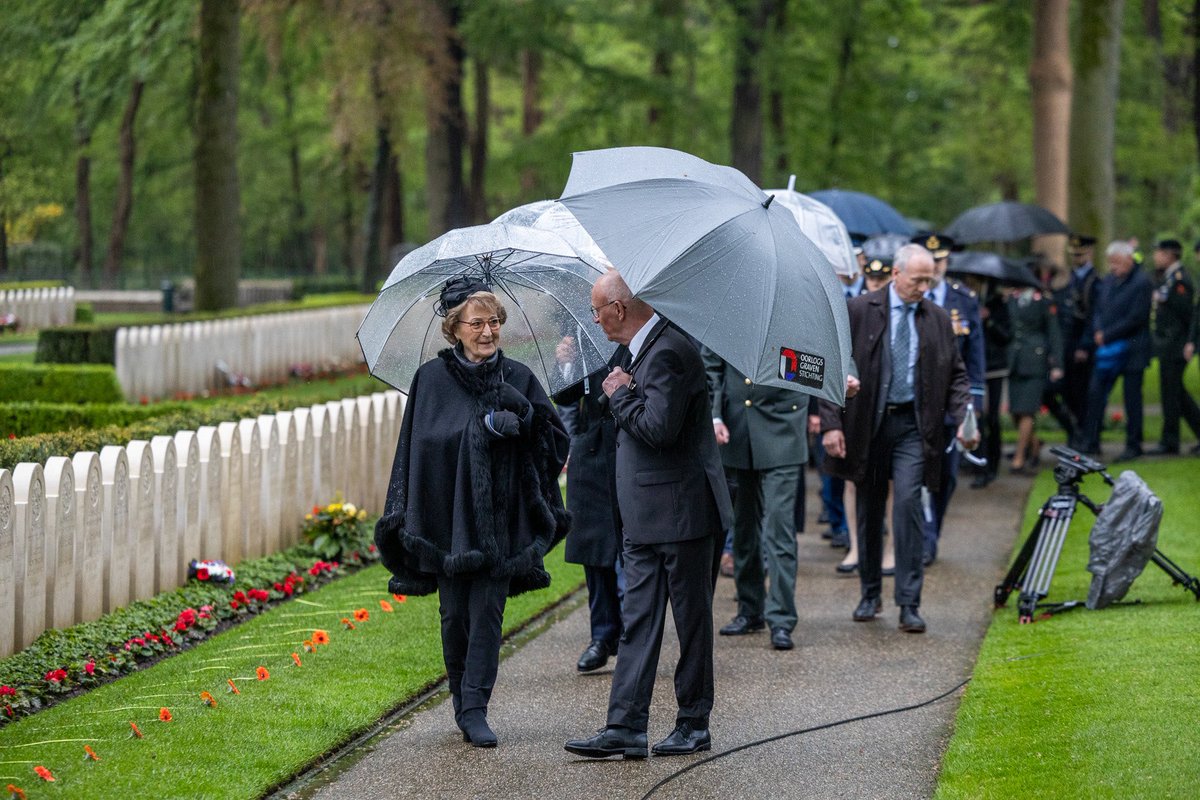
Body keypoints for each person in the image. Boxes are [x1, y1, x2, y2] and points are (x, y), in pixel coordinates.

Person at [374, 276, 570, 748]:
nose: (488, 331)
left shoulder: (519, 378)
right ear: (454, 328)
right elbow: (420, 447)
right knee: (454, 616)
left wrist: (521, 418)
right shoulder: (431, 381)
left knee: (487, 614)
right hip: (447, 521)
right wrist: (479, 428)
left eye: (494, 322)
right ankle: (462, 699)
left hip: (503, 524)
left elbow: (555, 442)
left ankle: (476, 707)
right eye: (477, 323)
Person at [565, 269, 732, 760]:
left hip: (682, 513)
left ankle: (693, 722)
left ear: (619, 308)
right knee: (637, 621)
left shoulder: (670, 350)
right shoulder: (638, 348)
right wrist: (610, 385)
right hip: (642, 514)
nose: (594, 320)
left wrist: (621, 394)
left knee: (691, 621)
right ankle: (625, 726)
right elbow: (600, 403)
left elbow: (659, 429)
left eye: (597, 310)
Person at [819, 244, 973, 634]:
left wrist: (965, 416)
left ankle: (909, 602)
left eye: (929, 280)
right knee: (869, 511)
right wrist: (831, 423)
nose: (924, 286)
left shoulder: (936, 318)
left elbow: (956, 373)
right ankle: (870, 594)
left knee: (906, 504)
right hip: (867, 425)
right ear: (896, 274)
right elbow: (830, 366)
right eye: (918, 279)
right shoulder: (859, 310)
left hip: (913, 427)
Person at [705, 348, 807, 651]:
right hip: (737, 429)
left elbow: (816, 359)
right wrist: (714, 415)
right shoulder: (729, 306)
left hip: (782, 428)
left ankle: (781, 618)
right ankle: (750, 610)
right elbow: (711, 364)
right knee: (743, 529)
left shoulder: (797, 312)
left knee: (779, 527)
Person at [553, 340, 630, 673]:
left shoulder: (643, 335)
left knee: (631, 552)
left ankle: (632, 637)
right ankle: (602, 636)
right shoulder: (580, 335)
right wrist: (567, 366)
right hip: (591, 451)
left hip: (631, 445)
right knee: (594, 551)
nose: (597, 318)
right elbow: (567, 398)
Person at [916, 233, 985, 566]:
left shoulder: (964, 299)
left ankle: (933, 530)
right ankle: (923, 538)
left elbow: (976, 357)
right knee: (915, 473)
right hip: (915, 401)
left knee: (947, 476)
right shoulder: (911, 295)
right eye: (931, 262)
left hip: (953, 402)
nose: (937, 267)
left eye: (940, 261)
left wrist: (975, 405)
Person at [1077, 241, 1153, 461]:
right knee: (1096, 394)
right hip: (1106, 351)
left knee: (1132, 399)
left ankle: (1134, 444)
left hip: (1132, 350)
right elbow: (1099, 309)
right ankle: (1091, 441)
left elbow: (1137, 317)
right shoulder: (1108, 281)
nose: (1113, 267)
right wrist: (1099, 332)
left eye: (1117, 263)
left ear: (1129, 259)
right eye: (1111, 263)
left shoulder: (1141, 282)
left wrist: (1108, 335)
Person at [1148, 239, 1200, 455]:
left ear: (1169, 255)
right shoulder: (1167, 278)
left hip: (1175, 344)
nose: (1155, 257)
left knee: (1173, 393)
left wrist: (1188, 341)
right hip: (1168, 343)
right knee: (1175, 393)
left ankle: (1170, 440)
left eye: (1158, 253)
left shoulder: (1180, 280)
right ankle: (1174, 437)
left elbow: (1187, 315)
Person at [1005, 284, 1064, 473]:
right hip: (1015, 361)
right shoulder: (1011, 299)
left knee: (1027, 411)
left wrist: (1057, 364)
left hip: (1035, 361)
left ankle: (1020, 457)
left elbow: (1054, 332)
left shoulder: (1043, 301)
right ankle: (1035, 443)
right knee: (1015, 412)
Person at [971, 281, 1012, 488]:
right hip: (976, 368)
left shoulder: (998, 305)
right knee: (976, 417)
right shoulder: (970, 301)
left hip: (995, 367)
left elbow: (1007, 336)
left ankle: (993, 462)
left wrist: (990, 321)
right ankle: (980, 466)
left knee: (992, 418)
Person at [1064, 234, 1101, 427]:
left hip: (1083, 342)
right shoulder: (1070, 278)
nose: (1076, 259)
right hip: (1069, 340)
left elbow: (1093, 316)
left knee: (1083, 390)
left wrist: (1085, 345)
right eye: (1074, 255)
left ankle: (1085, 431)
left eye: (1080, 255)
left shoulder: (1094, 282)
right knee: (1070, 389)